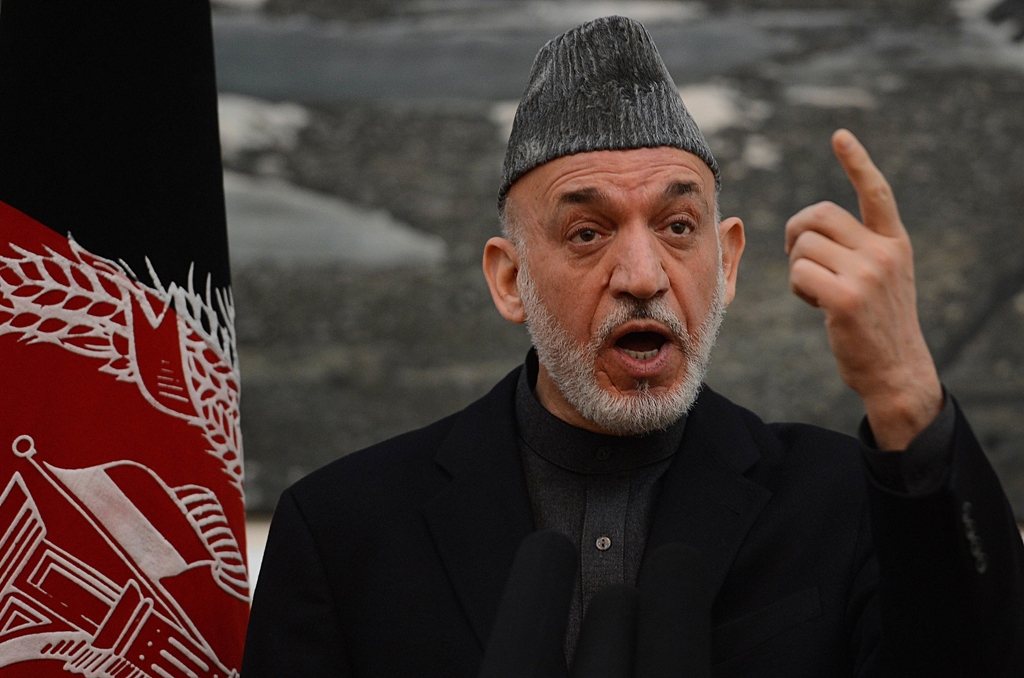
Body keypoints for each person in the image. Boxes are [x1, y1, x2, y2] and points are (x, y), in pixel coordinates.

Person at [241, 16, 1024, 677]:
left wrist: (904, 394)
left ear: (728, 263)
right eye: (588, 232)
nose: (644, 276)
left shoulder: (841, 503)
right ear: (509, 280)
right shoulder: (344, 531)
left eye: (678, 228)